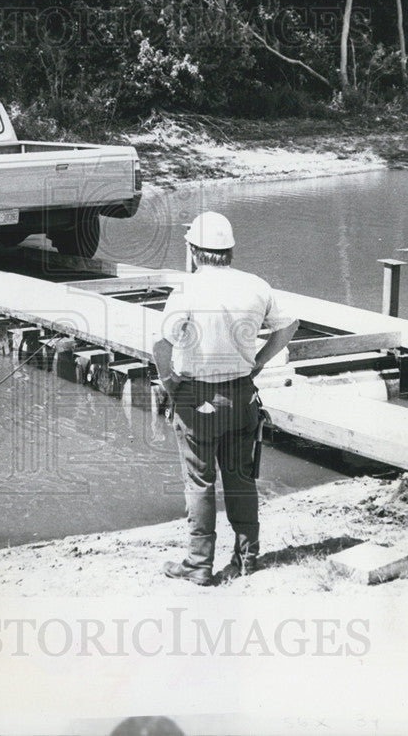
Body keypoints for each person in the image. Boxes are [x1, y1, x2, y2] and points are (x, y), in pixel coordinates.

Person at [153, 212, 299, 586]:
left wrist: (172, 389)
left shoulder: (188, 289)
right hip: (242, 395)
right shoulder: (256, 285)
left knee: (200, 482)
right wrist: (260, 363)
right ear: (229, 250)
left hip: (198, 398)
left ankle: (199, 564)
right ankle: (248, 557)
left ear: (194, 251)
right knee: (240, 478)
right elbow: (289, 326)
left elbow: (161, 345)